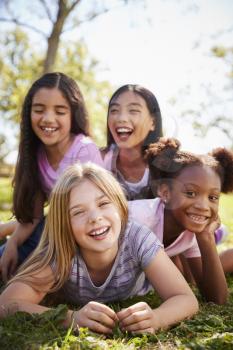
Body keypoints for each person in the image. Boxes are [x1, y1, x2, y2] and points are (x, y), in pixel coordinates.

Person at [0, 163, 198, 334]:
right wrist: (70, 318)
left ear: (121, 207)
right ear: (65, 225)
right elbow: (7, 303)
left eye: (103, 203)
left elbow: (185, 298)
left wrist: (158, 318)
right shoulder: (61, 250)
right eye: (78, 212)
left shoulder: (138, 237)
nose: (95, 218)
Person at [0, 72, 103, 281]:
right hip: (46, 232)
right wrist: (12, 244)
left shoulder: (84, 151)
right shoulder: (35, 154)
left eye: (60, 111)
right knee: (5, 256)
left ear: (73, 114)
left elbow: (93, 215)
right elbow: (34, 215)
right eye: (39, 110)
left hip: (77, 240)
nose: (48, 119)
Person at [128, 138, 233, 304]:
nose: (203, 206)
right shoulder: (138, 218)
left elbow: (216, 298)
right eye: (190, 193)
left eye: (212, 197)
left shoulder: (192, 232)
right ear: (165, 192)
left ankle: (219, 235)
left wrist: (206, 237)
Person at [102, 84, 163, 200]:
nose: (121, 118)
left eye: (133, 111)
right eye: (114, 110)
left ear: (153, 122)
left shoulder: (168, 168)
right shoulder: (97, 162)